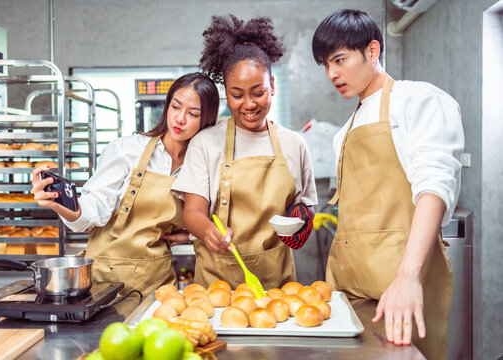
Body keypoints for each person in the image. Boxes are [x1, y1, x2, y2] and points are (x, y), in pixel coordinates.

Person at [312, 9, 464, 359]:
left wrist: (407, 277)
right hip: (349, 290)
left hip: (401, 286)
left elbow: (434, 185)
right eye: (325, 64)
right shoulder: (343, 133)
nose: (332, 73)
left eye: (339, 59)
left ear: (372, 50)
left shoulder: (418, 101)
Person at [31, 72, 219, 297]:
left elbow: (208, 216)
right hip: (107, 285)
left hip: (159, 285)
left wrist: (190, 235)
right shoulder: (127, 149)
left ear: (206, 120)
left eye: (193, 114)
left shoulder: (200, 166)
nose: (180, 119)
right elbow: (96, 205)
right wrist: (61, 204)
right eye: (175, 107)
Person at [171, 15, 318, 289]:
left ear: (272, 85)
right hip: (217, 285)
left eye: (258, 92)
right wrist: (207, 231)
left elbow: (304, 204)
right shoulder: (206, 142)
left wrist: (304, 221)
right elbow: (193, 211)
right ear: (226, 93)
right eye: (237, 95)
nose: (249, 104)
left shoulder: (294, 144)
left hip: (278, 285)